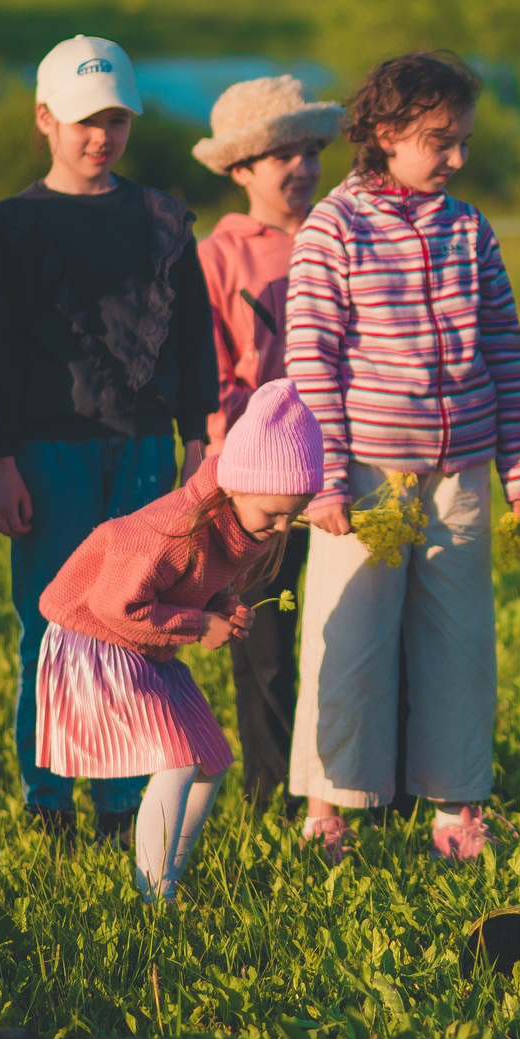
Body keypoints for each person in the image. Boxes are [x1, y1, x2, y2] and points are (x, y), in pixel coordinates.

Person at [282, 52, 520, 865]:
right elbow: (311, 358)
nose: (458, 158)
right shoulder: (334, 226)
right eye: (442, 141)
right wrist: (325, 475)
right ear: (386, 134)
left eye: (464, 140)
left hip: (462, 472)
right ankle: (329, 810)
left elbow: (504, 349)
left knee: (460, 641)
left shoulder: (469, 228)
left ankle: (456, 806)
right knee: (351, 640)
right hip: (367, 479)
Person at [0, 35, 218, 847]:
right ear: (44, 118)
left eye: (113, 119)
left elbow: (193, 338)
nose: (98, 136)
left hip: (147, 448)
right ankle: (48, 799)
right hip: (48, 452)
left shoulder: (163, 218)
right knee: (50, 625)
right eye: (82, 120)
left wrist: (196, 441)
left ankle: (123, 803)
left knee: (132, 623)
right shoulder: (12, 229)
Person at [35, 380, 322, 902]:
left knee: (211, 760)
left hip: (143, 642)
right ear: (235, 485)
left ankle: (168, 875)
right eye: (275, 514)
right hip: (93, 638)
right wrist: (198, 625)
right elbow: (115, 606)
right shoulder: (170, 531)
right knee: (179, 759)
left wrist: (223, 605)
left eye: (293, 514)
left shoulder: (247, 524)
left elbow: (205, 582)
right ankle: (151, 895)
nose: (282, 528)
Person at [193, 75, 344, 813]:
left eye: (310, 149)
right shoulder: (217, 259)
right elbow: (214, 375)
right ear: (240, 168)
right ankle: (274, 795)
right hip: (261, 489)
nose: (302, 166)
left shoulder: (343, 234)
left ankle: (356, 781)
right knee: (268, 643)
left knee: (351, 632)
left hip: (350, 469)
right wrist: (233, 480)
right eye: (281, 152)